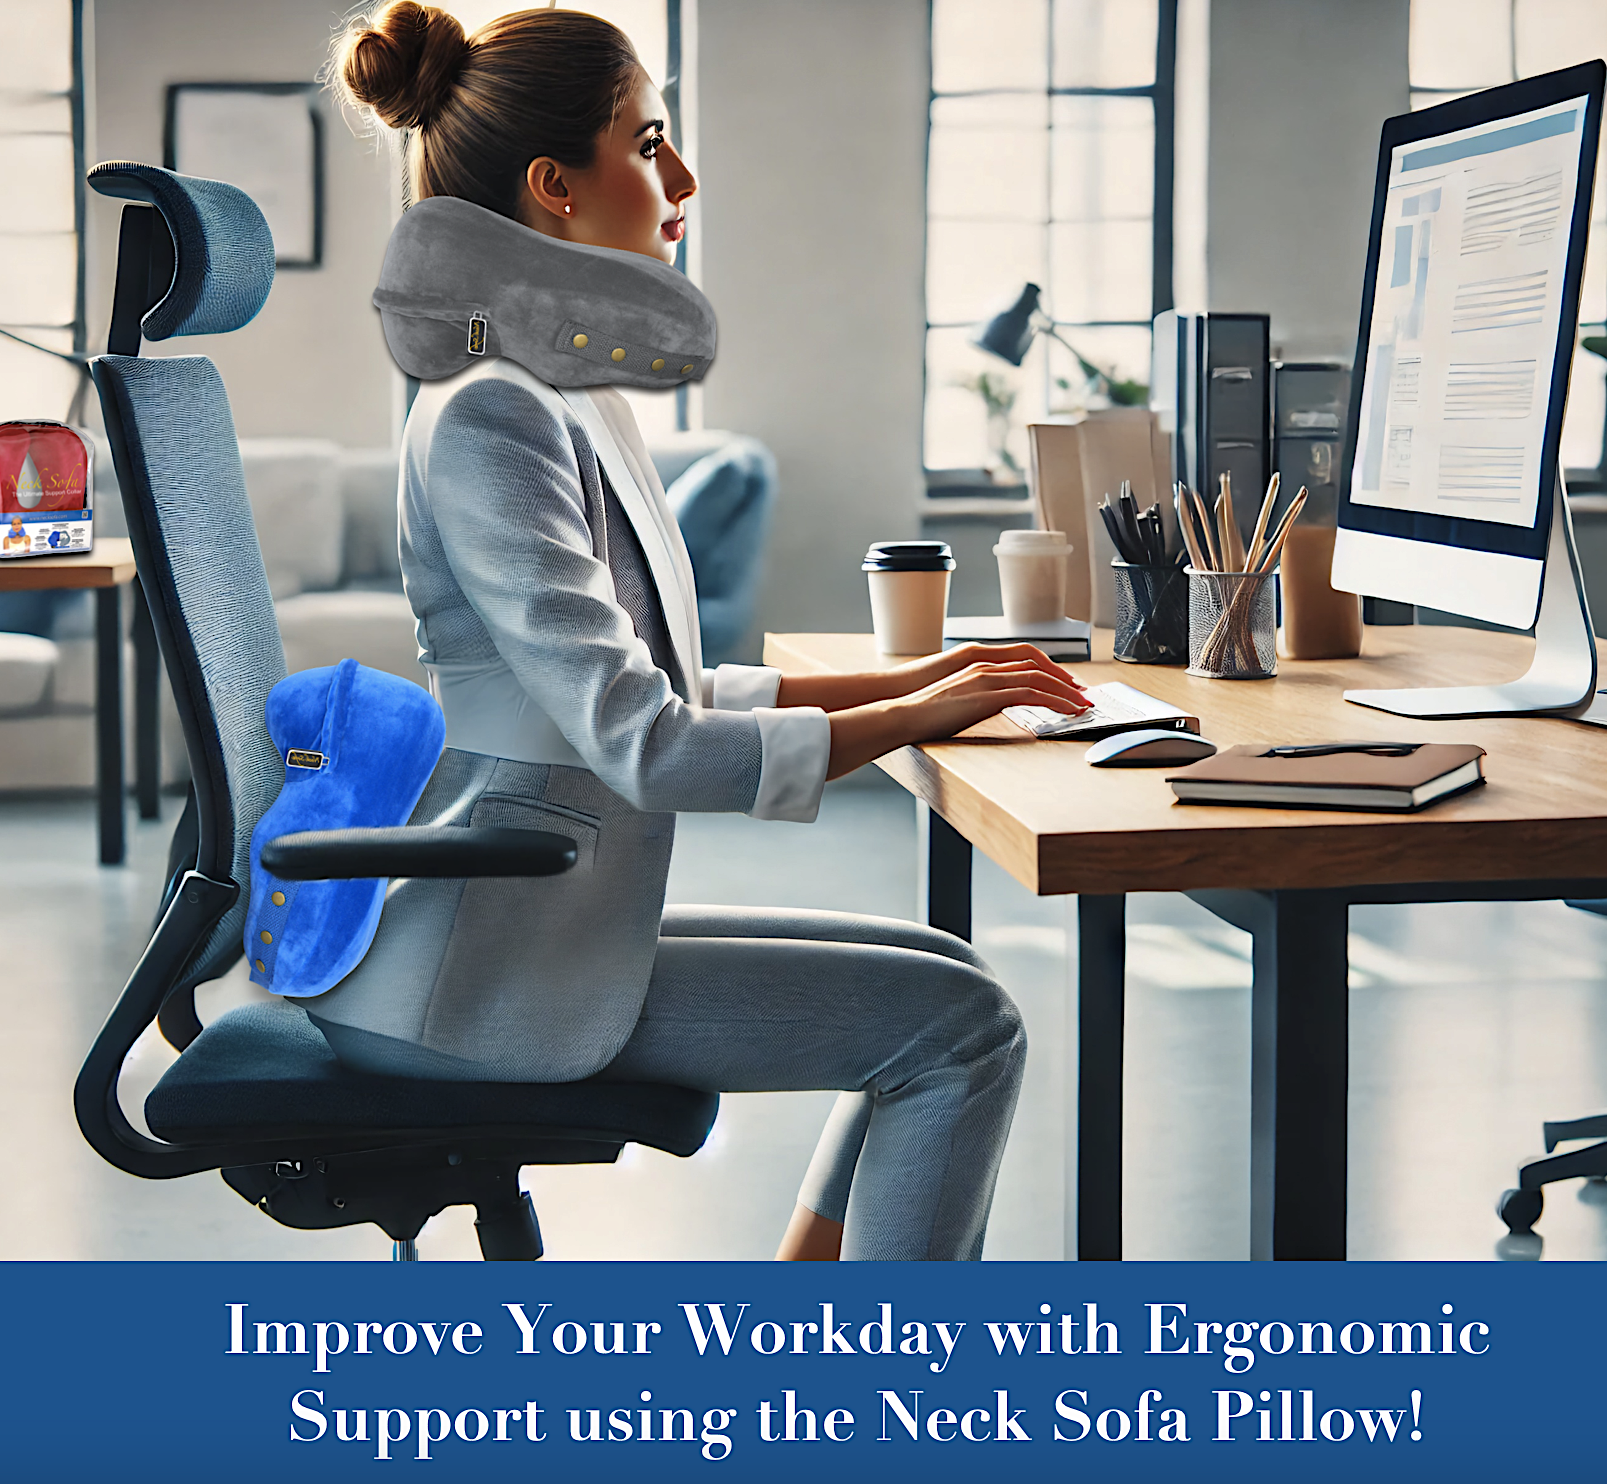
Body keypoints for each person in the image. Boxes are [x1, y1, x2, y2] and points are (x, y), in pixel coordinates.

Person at [317, 2, 1090, 1261]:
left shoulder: (564, 391)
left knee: (946, 973)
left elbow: (658, 682)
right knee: (957, 1030)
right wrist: (907, 715)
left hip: (546, 920)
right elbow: (648, 744)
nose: (682, 178)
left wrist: (927, 675)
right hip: (483, 973)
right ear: (557, 186)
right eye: (650, 138)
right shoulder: (489, 416)